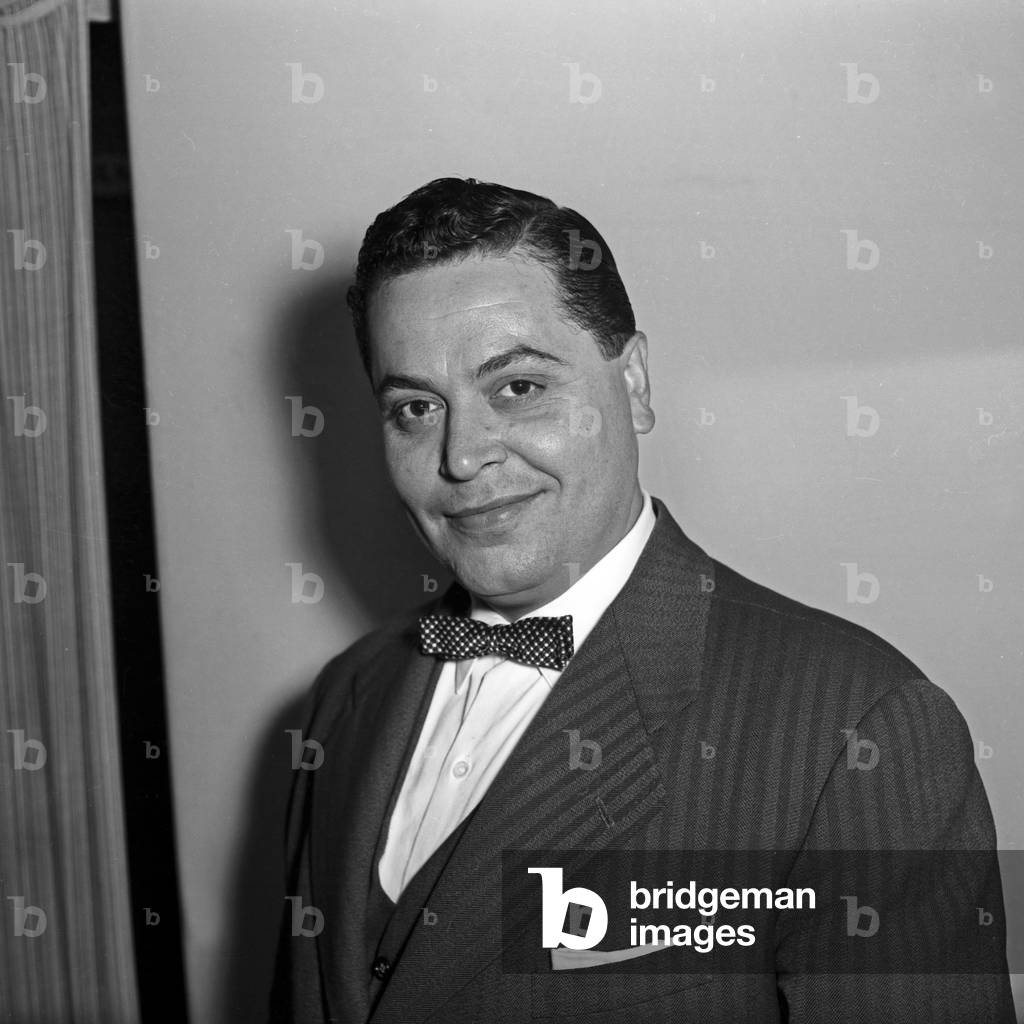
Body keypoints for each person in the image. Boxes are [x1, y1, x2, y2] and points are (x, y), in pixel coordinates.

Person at [269, 177, 1014, 1023]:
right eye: (414, 408)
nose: (464, 456)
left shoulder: (855, 728)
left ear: (634, 386)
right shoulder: (343, 701)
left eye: (517, 388)